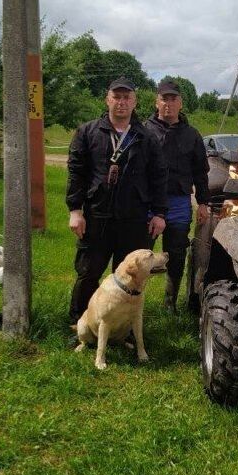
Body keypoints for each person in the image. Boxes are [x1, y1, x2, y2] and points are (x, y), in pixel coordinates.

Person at [66, 77, 168, 324]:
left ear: (134, 102)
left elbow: (158, 176)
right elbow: (76, 172)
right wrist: (75, 211)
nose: (121, 102)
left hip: (134, 218)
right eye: (116, 97)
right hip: (97, 214)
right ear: (107, 99)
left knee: (128, 277)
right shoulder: (88, 132)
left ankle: (120, 328)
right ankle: (81, 323)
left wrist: (159, 213)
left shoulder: (146, 136)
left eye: (127, 98)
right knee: (89, 273)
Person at [145, 79, 210, 312]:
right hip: (148, 203)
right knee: (141, 253)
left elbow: (201, 172)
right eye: (164, 99)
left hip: (179, 202)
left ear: (180, 103)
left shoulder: (192, 135)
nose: (168, 104)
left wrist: (203, 202)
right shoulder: (144, 131)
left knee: (177, 252)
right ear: (157, 102)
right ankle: (133, 301)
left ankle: (169, 302)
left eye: (173, 99)